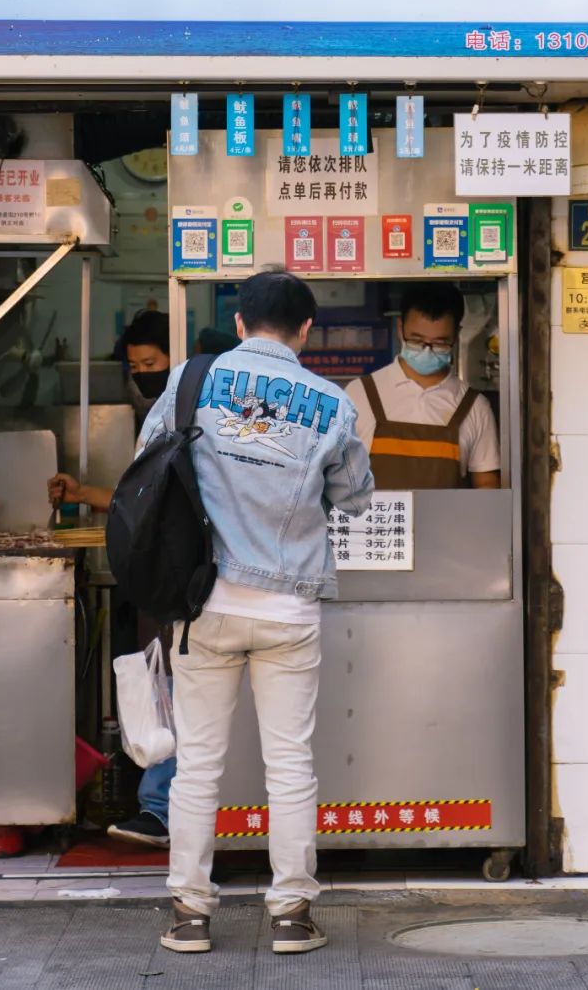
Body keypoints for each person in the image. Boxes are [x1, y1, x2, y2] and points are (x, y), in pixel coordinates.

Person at [139, 270, 373, 956]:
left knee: (199, 764)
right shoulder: (331, 403)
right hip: (289, 606)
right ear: (305, 332)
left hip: (202, 601)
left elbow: (145, 468)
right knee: (291, 764)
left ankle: (190, 913)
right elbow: (355, 497)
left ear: (239, 325)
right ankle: (292, 915)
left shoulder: (188, 382)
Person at [48, 307, 175, 849]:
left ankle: (162, 807)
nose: (143, 372)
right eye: (135, 365)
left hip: (179, 578)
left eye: (151, 362)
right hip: (161, 577)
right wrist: (83, 496)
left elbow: (149, 498)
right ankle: (160, 805)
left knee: (175, 691)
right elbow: (136, 494)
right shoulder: (157, 414)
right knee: (166, 689)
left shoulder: (185, 409)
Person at [344, 284, 500, 491]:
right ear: (400, 328)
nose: (427, 351)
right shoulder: (358, 394)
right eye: (417, 341)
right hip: (377, 522)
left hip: (450, 524)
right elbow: (332, 475)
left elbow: (487, 485)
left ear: (456, 335)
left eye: (439, 343)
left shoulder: (474, 407)